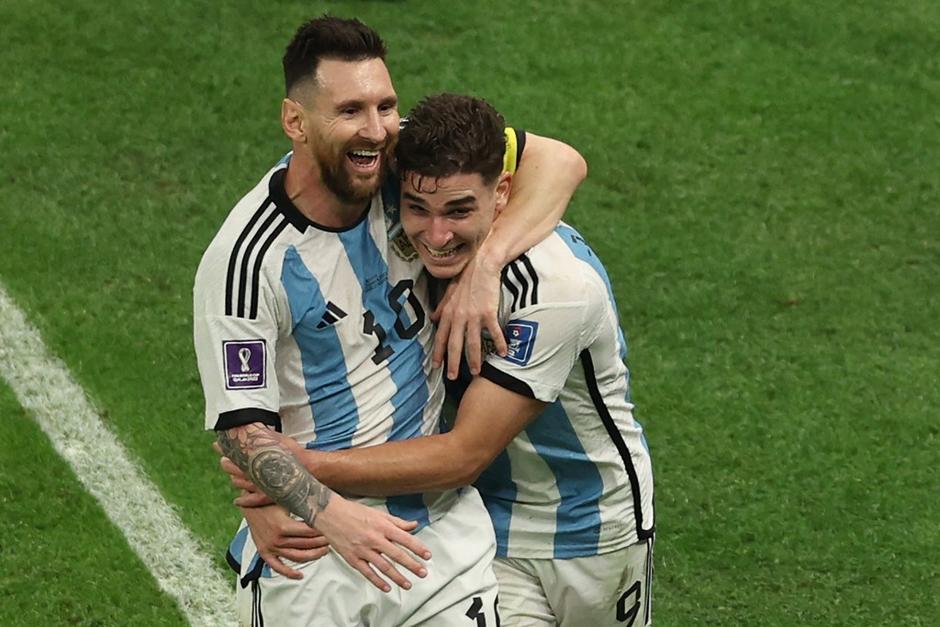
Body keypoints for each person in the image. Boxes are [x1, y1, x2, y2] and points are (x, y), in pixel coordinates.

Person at [194, 16, 585, 627]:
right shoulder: (247, 262)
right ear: (295, 121)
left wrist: (485, 267)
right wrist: (333, 515)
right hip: (314, 560)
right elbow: (243, 434)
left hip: (442, 543)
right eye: (350, 111)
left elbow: (560, 161)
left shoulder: (404, 167)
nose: (376, 130)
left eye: (386, 105)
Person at [226, 94, 655, 626]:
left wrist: (300, 473)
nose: (436, 236)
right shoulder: (402, 181)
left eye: (459, 211)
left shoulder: (554, 291)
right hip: (480, 524)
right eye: (418, 209)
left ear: (502, 192)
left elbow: (464, 453)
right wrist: (270, 494)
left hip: (589, 529)